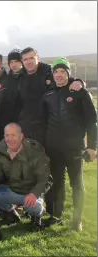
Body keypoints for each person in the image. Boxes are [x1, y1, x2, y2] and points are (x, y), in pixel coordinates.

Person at [41, 57, 97, 231]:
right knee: (57, 183)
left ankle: (77, 220)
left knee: (77, 183)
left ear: (68, 74)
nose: (58, 75)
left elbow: (92, 122)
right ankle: (56, 216)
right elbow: (44, 121)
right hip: (53, 147)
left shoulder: (80, 92)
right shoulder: (48, 95)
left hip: (74, 147)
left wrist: (92, 147)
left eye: (62, 72)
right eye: (56, 72)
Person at [0, 123, 52, 230]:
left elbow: (46, 179)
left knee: (34, 206)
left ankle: (37, 216)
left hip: (31, 192)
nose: (9, 139)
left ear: (21, 136)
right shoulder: (1, 152)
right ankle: (11, 213)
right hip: (12, 189)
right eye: (7, 135)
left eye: (13, 135)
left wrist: (35, 194)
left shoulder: (35, 152)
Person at [16, 47, 84, 145]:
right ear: (22, 61)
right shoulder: (19, 78)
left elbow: (66, 80)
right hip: (25, 127)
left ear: (38, 58)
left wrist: (79, 82)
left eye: (31, 58)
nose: (28, 62)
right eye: (25, 59)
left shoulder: (49, 72)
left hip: (46, 128)